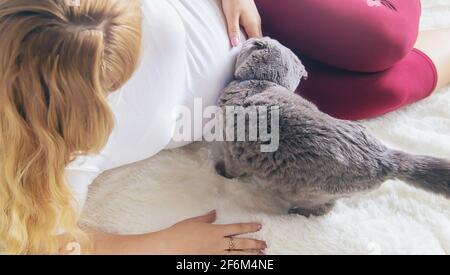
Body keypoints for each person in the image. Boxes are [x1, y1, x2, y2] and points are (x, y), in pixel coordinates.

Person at [1, 0, 449, 254]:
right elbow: (51, 246)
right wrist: (167, 242)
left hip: (251, 13)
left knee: (380, 40)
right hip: (256, 90)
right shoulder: (65, 156)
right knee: (382, 91)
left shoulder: (61, 12)